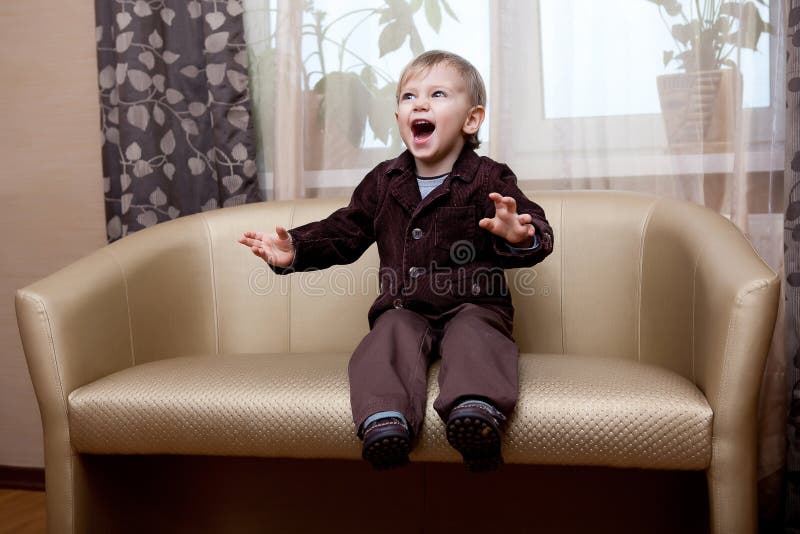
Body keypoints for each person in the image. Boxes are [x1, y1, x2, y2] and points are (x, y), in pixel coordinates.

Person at [238, 50, 553, 472]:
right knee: (385, 337)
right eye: (408, 97)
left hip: (474, 302)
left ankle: (476, 413)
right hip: (406, 306)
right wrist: (296, 248)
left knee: (477, 336)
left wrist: (520, 234)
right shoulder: (385, 181)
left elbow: (536, 228)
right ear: (400, 117)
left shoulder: (488, 178)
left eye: (437, 94)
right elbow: (345, 230)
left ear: (471, 119)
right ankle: (385, 420)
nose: (419, 104)